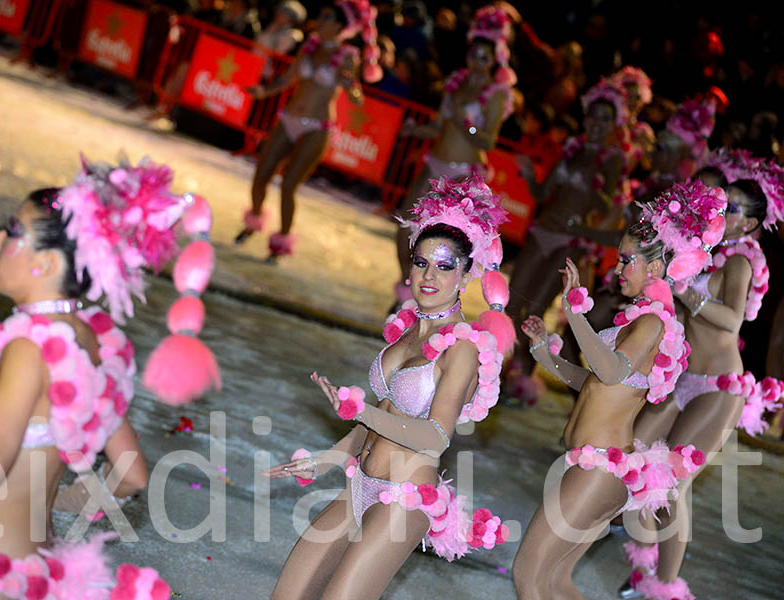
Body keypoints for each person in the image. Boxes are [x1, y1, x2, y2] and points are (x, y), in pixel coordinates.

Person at [0, 157, 221, 599]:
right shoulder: (88, 338)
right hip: (35, 572)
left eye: (13, 232)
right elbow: (131, 473)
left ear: (45, 262)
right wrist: (54, 498)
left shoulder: (30, 349)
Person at [266, 176, 514, 599]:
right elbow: (383, 414)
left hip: (405, 497)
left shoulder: (464, 350)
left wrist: (362, 410)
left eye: (444, 265)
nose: (429, 276)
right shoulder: (406, 334)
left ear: (467, 272)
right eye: (420, 263)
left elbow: (436, 437)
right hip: (359, 483)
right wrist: (325, 458)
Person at [512, 180, 727, 599]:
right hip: (594, 466)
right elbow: (596, 382)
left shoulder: (653, 322)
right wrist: (546, 357)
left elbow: (610, 372)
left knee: (528, 574)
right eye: (618, 259)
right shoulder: (637, 320)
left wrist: (575, 314)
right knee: (553, 581)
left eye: (627, 261)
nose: (617, 269)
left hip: (600, 471)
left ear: (656, 269)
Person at [618, 155, 784, 600]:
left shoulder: (742, 263)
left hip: (718, 388)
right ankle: (644, 560)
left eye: (733, 209)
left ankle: (665, 586)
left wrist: (684, 289)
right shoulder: (706, 249)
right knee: (632, 454)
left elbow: (731, 321)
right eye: (722, 203)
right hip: (683, 379)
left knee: (672, 483)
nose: (723, 212)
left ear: (750, 225)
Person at [506, 79, 626, 402]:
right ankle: (506, 366)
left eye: (605, 119)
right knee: (512, 303)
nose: (597, 124)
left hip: (569, 241)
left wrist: (589, 187)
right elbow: (544, 194)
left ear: (613, 125)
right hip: (543, 230)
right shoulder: (571, 149)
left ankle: (520, 375)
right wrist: (531, 176)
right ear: (585, 118)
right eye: (593, 116)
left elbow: (606, 205)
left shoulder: (611, 160)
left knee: (535, 308)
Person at [236, 0, 382, 261]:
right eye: (322, 16)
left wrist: (351, 86)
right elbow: (287, 79)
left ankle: (281, 241)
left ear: (340, 25)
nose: (320, 21)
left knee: (289, 184)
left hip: (317, 127)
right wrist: (263, 91)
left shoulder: (347, 55)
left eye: (326, 17)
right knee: (261, 174)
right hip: (289, 118)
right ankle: (254, 220)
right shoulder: (310, 46)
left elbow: (358, 98)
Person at [392, 5, 515, 306]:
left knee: (440, 241)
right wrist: (415, 131)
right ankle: (410, 287)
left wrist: (466, 124)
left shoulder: (496, 93)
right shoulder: (456, 83)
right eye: (474, 55)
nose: (477, 62)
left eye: (484, 57)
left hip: (461, 174)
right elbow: (438, 126)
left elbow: (487, 140)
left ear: (495, 60)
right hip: (433, 164)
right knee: (403, 229)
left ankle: (432, 298)